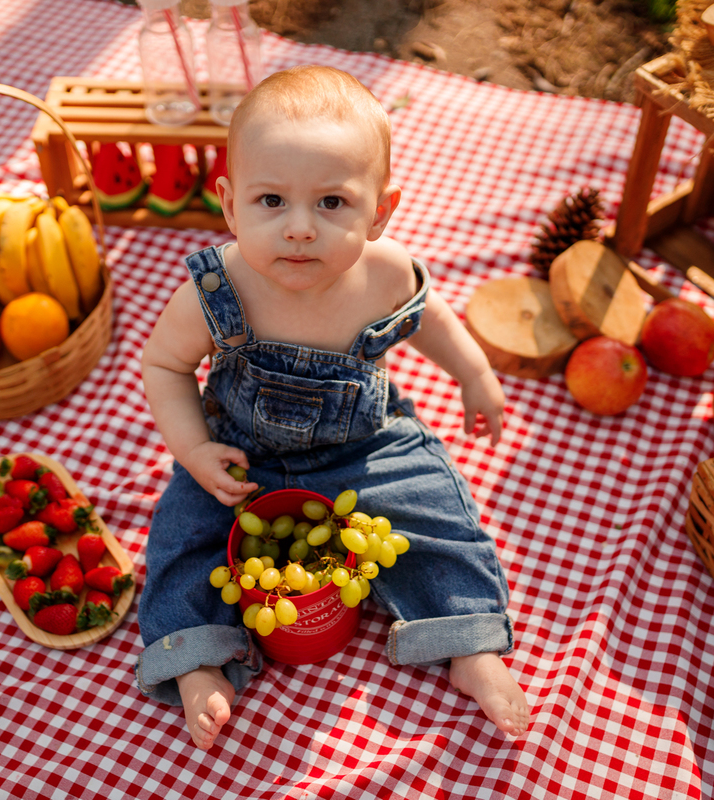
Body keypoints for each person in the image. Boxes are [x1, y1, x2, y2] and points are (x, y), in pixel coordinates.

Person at [137, 65, 530, 750]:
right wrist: (196, 451)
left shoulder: (384, 273)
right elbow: (164, 366)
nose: (298, 229)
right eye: (270, 202)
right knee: (183, 533)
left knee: (436, 508)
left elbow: (431, 319)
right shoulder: (216, 288)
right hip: (240, 452)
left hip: (363, 447)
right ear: (229, 205)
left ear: (380, 210)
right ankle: (198, 658)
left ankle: (467, 644)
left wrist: (474, 373)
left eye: (330, 204)